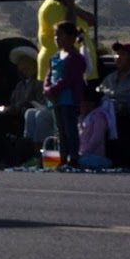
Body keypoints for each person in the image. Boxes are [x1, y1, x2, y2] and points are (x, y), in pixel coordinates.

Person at [36, 0, 96, 85]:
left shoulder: (70, 6)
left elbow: (92, 20)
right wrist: (70, 6)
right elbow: (69, 29)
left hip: (80, 67)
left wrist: (72, 5)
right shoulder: (52, 6)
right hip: (61, 69)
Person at [42, 21, 87, 168]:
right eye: (56, 36)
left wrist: (53, 90)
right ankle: (62, 157)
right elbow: (48, 76)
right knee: (59, 130)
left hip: (68, 99)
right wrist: (47, 89)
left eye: (60, 35)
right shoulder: (55, 57)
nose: (56, 39)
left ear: (71, 38)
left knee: (70, 129)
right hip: (55, 100)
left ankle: (73, 157)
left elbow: (68, 79)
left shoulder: (76, 58)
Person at [77, 87, 112, 170]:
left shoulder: (99, 117)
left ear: (90, 103)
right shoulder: (82, 117)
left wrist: (84, 153)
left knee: (80, 161)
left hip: (95, 156)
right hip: (82, 155)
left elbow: (96, 139)